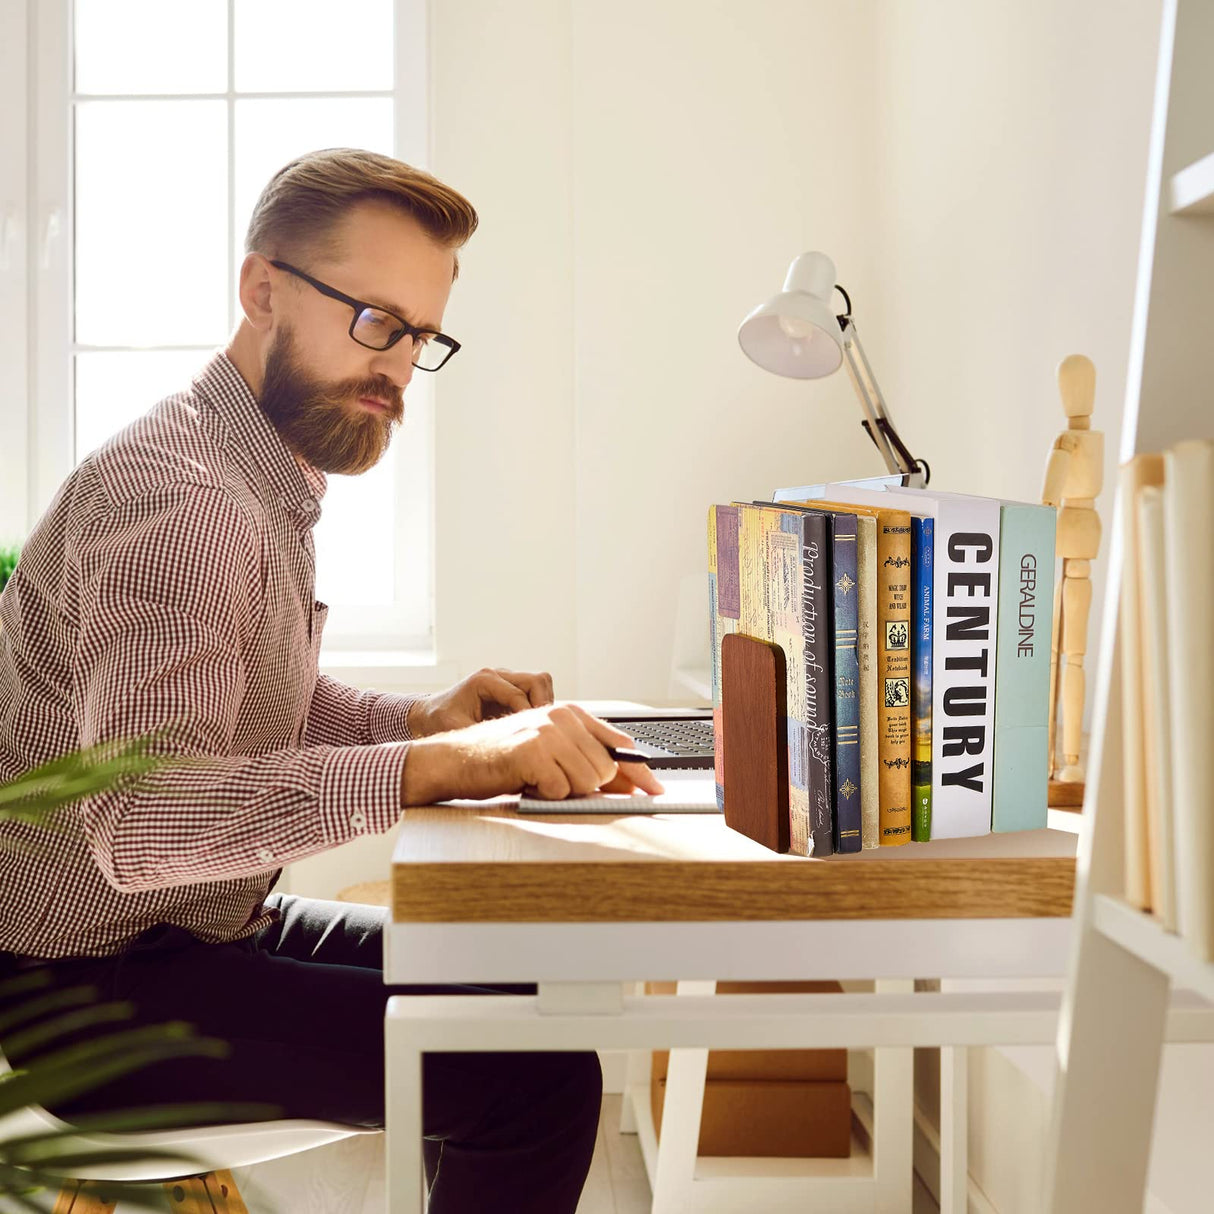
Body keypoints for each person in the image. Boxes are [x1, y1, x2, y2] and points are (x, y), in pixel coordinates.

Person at [0, 147, 663, 1213]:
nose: (397, 369)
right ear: (262, 288)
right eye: (374, 321)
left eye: (419, 336)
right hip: (77, 990)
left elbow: (250, 707)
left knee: (518, 991)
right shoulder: (185, 500)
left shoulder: (250, 470)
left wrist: (423, 718)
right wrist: (437, 765)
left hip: (192, 933)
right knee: (531, 1077)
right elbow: (137, 823)